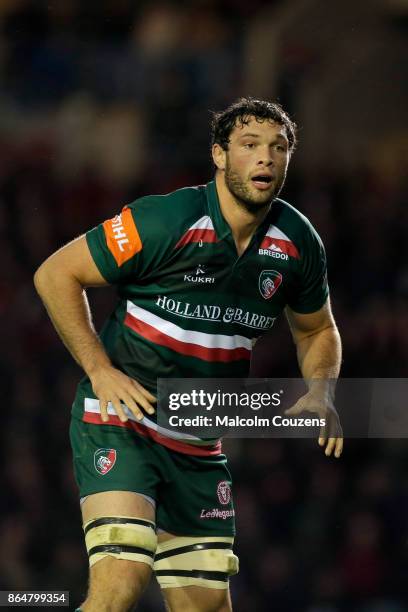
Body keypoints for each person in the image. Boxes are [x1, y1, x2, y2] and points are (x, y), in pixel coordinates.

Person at [34, 97, 342, 612]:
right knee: (122, 576)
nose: (265, 158)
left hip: (199, 438)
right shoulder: (167, 218)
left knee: (205, 607)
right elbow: (55, 274)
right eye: (249, 145)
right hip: (124, 419)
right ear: (219, 156)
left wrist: (321, 389)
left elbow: (318, 330)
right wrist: (98, 368)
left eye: (278, 147)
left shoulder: (297, 243)